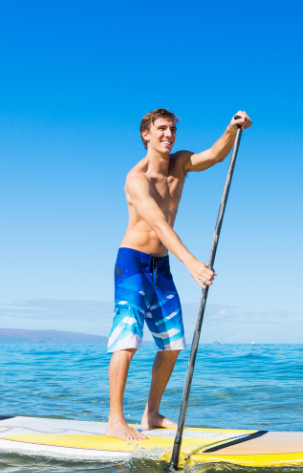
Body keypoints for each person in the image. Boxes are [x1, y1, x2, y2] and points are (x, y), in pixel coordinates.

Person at [105, 109, 252, 441]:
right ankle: (115, 420)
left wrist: (232, 128)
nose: (168, 134)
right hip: (133, 264)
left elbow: (214, 156)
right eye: (161, 128)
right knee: (127, 342)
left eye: (172, 129)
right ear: (146, 134)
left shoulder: (180, 163)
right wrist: (192, 263)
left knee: (172, 344)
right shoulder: (136, 179)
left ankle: (151, 413)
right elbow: (157, 222)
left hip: (162, 266)